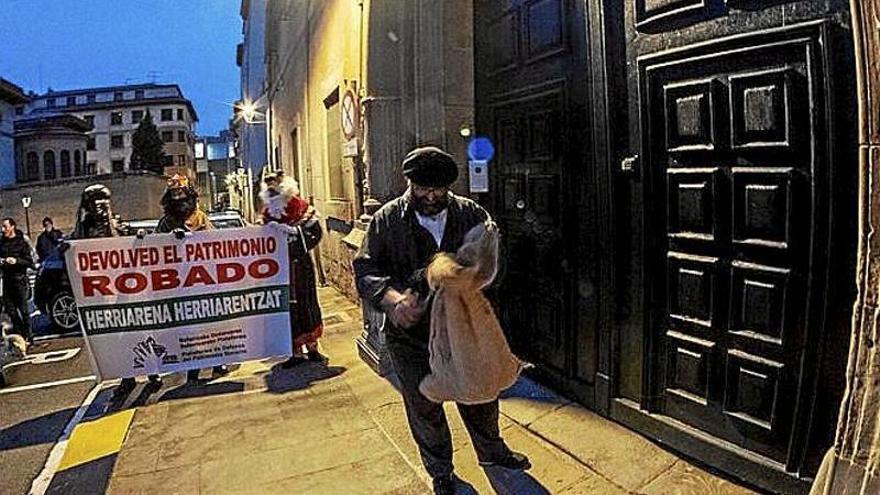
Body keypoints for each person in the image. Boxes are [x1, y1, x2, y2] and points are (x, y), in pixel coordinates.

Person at [353, 146, 530, 495]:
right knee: (424, 406)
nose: (431, 196)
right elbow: (366, 270)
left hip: (463, 328)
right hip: (411, 335)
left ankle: (492, 452)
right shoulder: (387, 219)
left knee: (479, 394)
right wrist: (393, 300)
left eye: (439, 190)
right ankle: (441, 472)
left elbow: (494, 266)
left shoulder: (471, 213)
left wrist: (470, 272)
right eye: (423, 189)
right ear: (410, 183)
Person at [154, 174, 227, 382]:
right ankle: (193, 368)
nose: (180, 202)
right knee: (189, 331)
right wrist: (169, 239)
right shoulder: (166, 223)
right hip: (180, 287)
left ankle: (218, 361)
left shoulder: (201, 218)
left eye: (183, 197)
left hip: (204, 283)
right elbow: (155, 248)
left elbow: (215, 243)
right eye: (175, 198)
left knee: (211, 325)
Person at [260, 170, 325, 367]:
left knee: (307, 304)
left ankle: (312, 348)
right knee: (288, 310)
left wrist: (295, 233)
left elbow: (315, 232)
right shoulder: (267, 214)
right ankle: (295, 352)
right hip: (280, 271)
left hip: (301, 268)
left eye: (275, 185)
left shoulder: (301, 207)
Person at [0, 218, 34, 346]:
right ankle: (21, 334)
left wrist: (16, 261)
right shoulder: (1, 243)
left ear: (12, 227)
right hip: (7, 280)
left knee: (24, 310)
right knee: (10, 310)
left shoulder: (21, 242)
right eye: (3, 227)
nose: (3, 230)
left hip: (20, 279)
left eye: (5, 227)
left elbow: (29, 262)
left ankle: (29, 336)